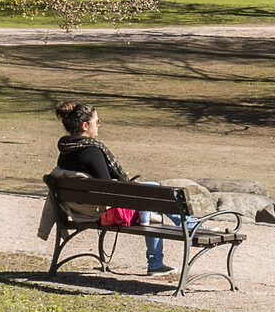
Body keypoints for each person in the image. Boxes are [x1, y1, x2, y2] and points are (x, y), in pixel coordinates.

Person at [53, 101, 190, 275]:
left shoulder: (66, 150)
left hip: (77, 209)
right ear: (85, 126)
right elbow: (109, 189)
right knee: (154, 194)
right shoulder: (91, 151)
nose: (99, 126)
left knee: (151, 195)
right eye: (97, 122)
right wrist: (129, 186)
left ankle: (180, 232)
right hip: (102, 213)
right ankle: (181, 233)